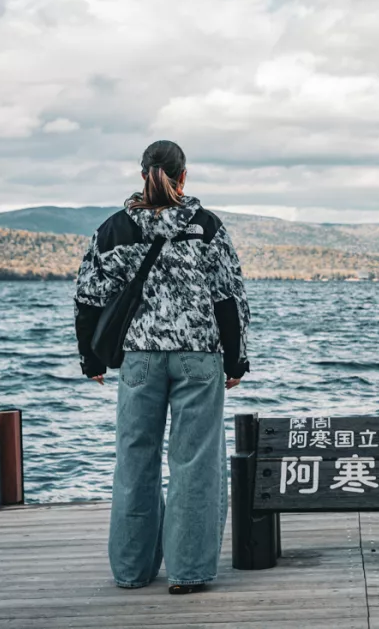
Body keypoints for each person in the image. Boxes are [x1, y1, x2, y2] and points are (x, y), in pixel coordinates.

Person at [73, 139, 250, 595]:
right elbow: (227, 297)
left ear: (142, 175)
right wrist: (236, 358)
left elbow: (88, 297)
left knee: (135, 459)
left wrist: (90, 357)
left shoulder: (113, 229)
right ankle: (188, 572)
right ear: (183, 176)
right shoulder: (205, 226)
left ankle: (132, 571)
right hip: (198, 356)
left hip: (139, 358)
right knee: (194, 463)